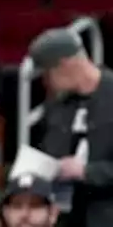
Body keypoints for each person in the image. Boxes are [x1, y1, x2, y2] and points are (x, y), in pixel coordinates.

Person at [27, 28, 113, 227]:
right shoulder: (57, 106)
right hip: (66, 208)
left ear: (65, 66)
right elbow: (48, 151)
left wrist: (86, 172)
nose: (45, 82)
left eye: (47, 74)